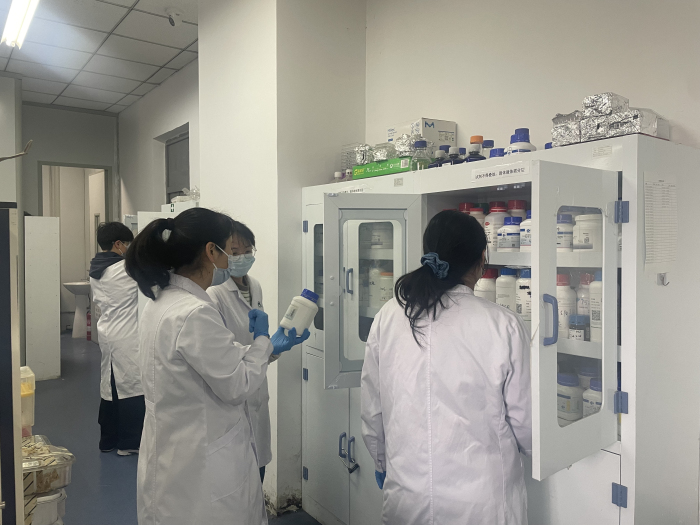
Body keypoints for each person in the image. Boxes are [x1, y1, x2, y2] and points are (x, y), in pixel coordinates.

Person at [125, 208, 307, 525]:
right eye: (228, 250)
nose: (232, 259)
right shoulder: (194, 312)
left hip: (174, 450)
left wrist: (264, 350)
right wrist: (262, 340)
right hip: (203, 463)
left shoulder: (162, 302)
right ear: (212, 251)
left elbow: (215, 359)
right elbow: (237, 385)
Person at [360, 210, 532, 525]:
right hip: (481, 505)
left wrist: (382, 461)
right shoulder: (503, 325)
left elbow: (373, 407)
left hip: (407, 495)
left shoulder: (389, 315)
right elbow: (526, 423)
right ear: (482, 258)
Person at [207, 220, 301, 484]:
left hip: (255, 388)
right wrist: (264, 347)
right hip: (231, 397)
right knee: (237, 481)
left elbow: (256, 342)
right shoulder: (213, 294)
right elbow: (223, 355)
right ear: (217, 253)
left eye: (247, 251)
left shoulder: (255, 286)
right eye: (234, 252)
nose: (242, 257)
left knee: (257, 472)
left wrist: (272, 347)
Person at [89, 222, 144, 456]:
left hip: (108, 332)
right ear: (118, 244)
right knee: (131, 386)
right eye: (128, 244)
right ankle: (129, 443)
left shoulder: (97, 267)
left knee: (111, 385)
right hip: (127, 334)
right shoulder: (124, 269)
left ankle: (108, 440)